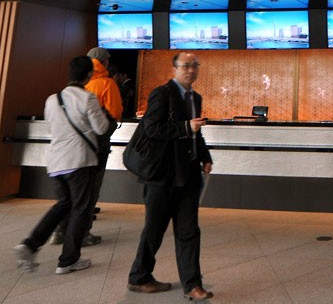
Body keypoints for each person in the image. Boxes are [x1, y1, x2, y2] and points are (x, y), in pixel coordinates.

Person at [127, 52, 214, 301]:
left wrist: (205, 156)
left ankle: (192, 285)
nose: (190, 70)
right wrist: (186, 127)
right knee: (154, 230)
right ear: (174, 69)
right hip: (162, 176)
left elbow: (196, 133)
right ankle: (139, 277)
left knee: (189, 231)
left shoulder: (195, 97)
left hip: (187, 176)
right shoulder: (162, 94)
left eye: (194, 66)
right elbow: (152, 128)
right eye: (185, 66)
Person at [12, 56, 110, 275]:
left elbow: (52, 128)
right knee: (81, 209)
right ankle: (68, 260)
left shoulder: (51, 99)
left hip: (56, 161)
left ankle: (30, 244)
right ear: (88, 76)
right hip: (79, 161)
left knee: (63, 204)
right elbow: (102, 128)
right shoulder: (88, 98)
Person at [49, 47, 122, 246]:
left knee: (69, 195)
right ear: (104, 62)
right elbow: (114, 113)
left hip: (67, 148)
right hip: (95, 144)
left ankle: (60, 231)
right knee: (90, 190)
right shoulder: (107, 83)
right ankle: (83, 234)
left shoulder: (69, 90)